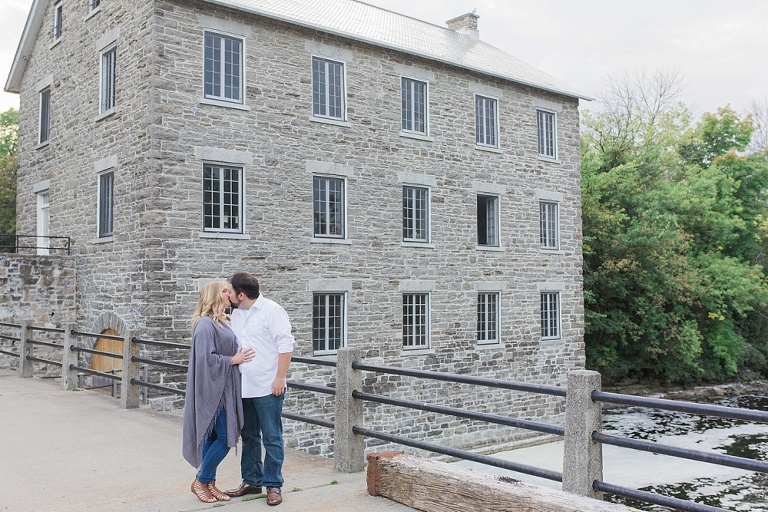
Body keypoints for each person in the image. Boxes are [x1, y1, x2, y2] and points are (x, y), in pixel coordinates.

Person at [224, 272, 294, 506]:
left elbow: (286, 345)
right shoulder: (235, 313)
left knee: (272, 437)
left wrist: (280, 378)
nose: (228, 295)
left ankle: (273, 485)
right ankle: (252, 481)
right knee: (249, 436)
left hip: (267, 386)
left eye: (230, 292)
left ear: (241, 295)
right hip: (243, 387)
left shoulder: (272, 311)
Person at [182, 281, 255, 503]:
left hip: (224, 386)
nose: (228, 294)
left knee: (213, 436)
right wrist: (232, 359)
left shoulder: (222, 321)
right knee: (225, 437)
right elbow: (205, 359)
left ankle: (209, 483)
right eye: (224, 291)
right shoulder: (204, 325)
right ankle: (201, 480)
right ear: (214, 295)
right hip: (214, 389)